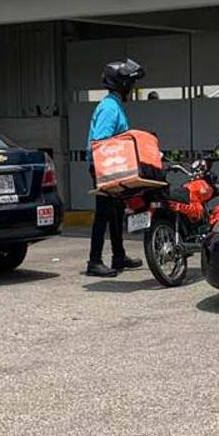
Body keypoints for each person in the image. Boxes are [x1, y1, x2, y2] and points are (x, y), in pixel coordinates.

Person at [86, 59, 145, 278]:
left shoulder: (115, 105)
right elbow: (101, 140)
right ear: (122, 85)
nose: (132, 88)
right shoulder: (109, 108)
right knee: (103, 213)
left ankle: (118, 256)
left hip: (112, 166)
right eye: (130, 84)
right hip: (104, 167)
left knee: (117, 212)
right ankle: (94, 261)